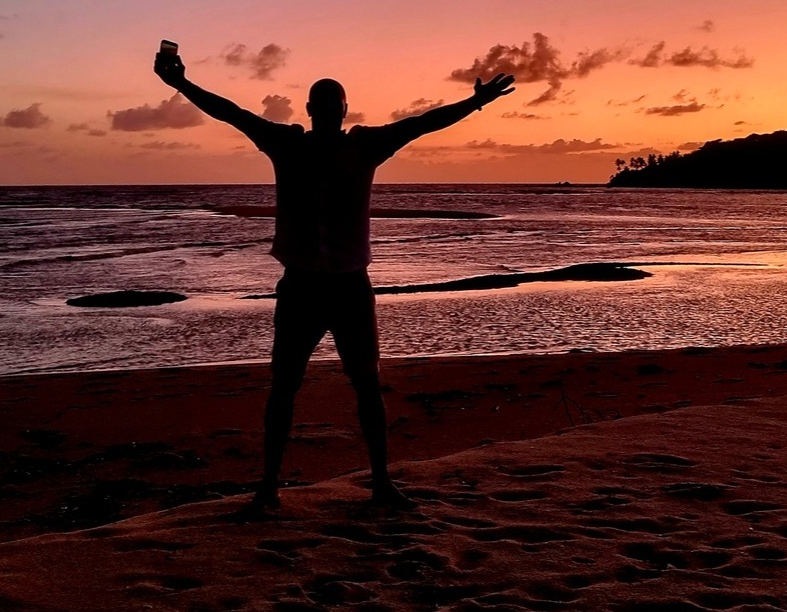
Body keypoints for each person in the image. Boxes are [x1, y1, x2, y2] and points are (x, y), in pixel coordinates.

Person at [153, 42, 515, 515]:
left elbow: (424, 123)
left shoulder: (363, 145)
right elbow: (230, 112)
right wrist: (180, 84)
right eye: (320, 105)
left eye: (332, 105)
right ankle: (268, 489)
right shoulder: (286, 143)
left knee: (366, 386)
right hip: (301, 286)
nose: (325, 112)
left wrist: (475, 102)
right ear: (311, 109)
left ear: (342, 111)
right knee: (285, 386)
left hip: (349, 287)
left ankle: (381, 483)